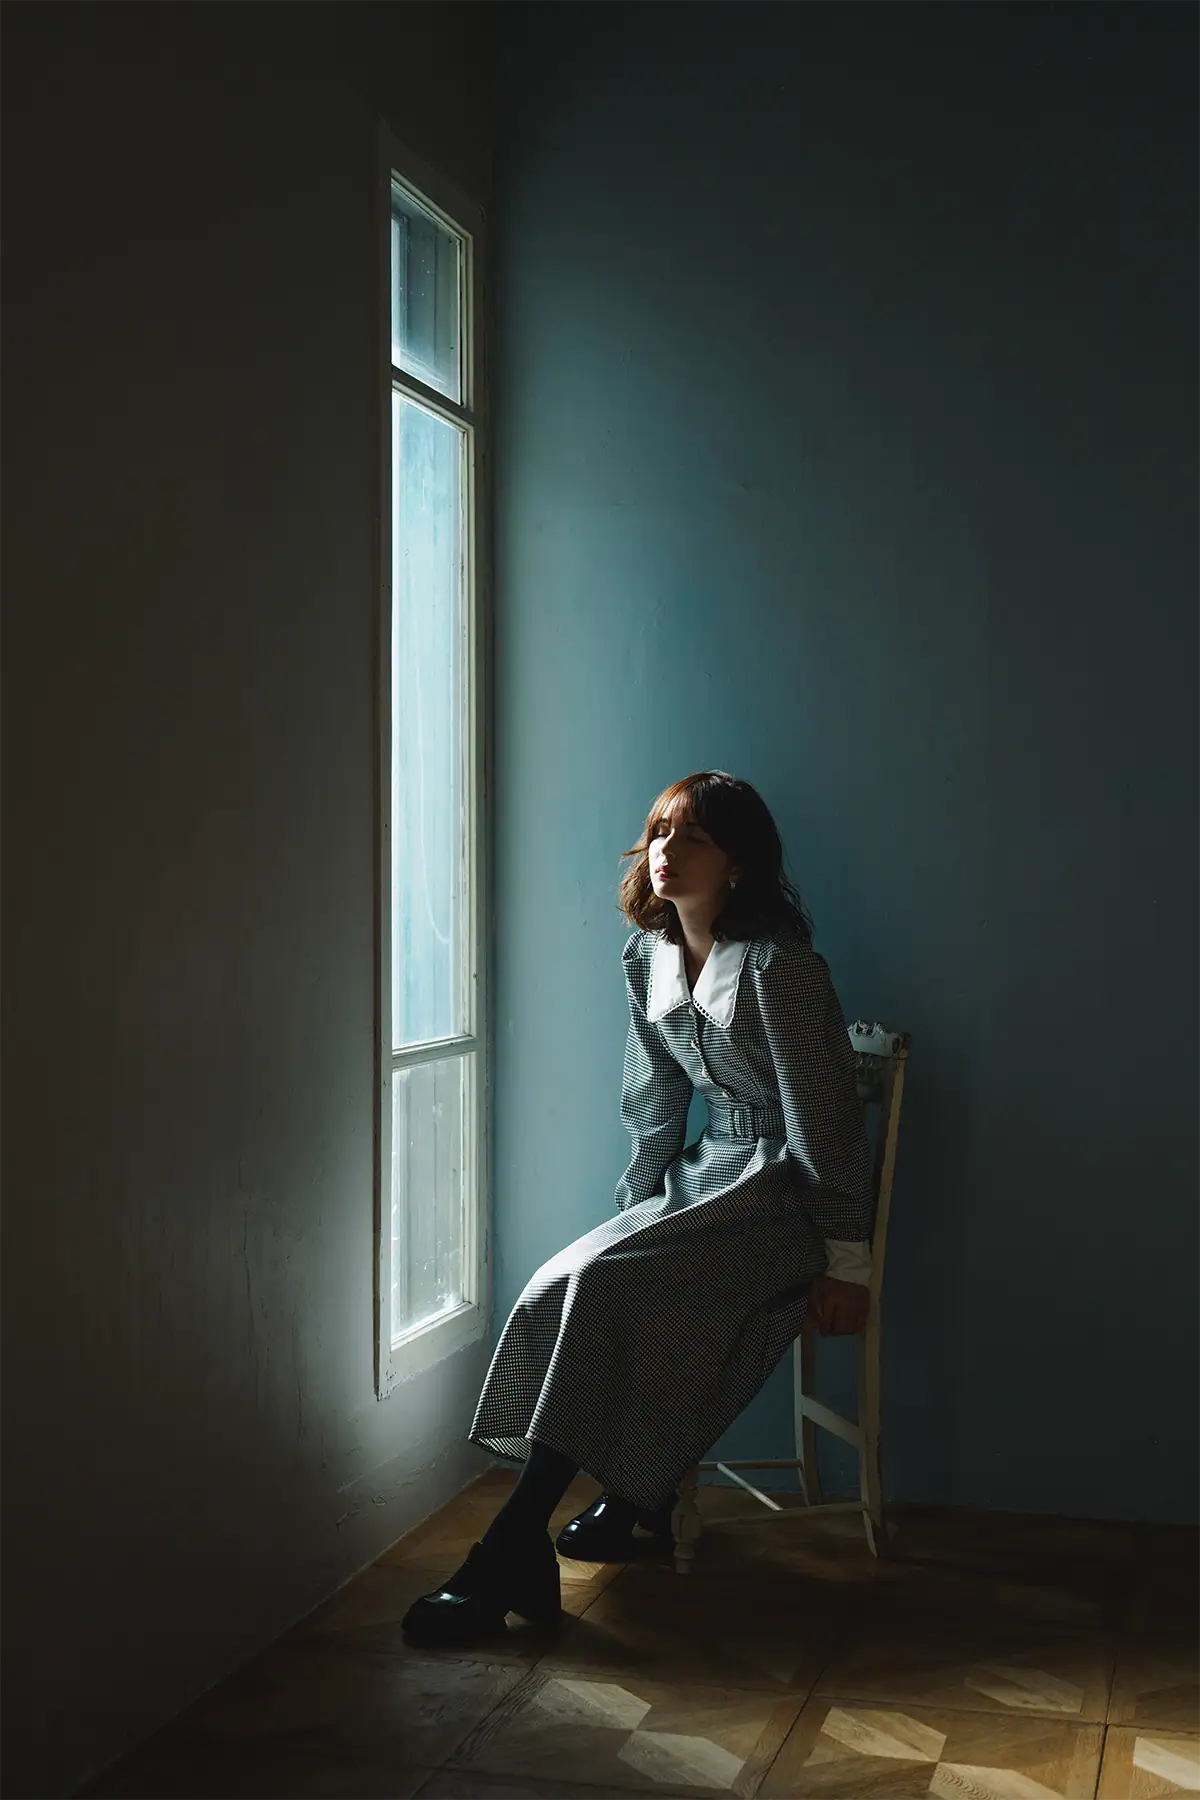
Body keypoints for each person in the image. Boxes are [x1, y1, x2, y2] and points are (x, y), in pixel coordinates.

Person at [402, 770, 873, 1644]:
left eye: (691, 838)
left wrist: (846, 1257)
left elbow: (827, 1123)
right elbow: (654, 1098)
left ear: (738, 862)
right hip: (701, 1179)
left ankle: (516, 1545)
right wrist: (637, 1210)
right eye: (659, 833)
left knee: (610, 1292)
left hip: (780, 1195)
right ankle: (632, 1503)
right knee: (561, 1281)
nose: (666, 852)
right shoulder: (644, 957)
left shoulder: (783, 970)